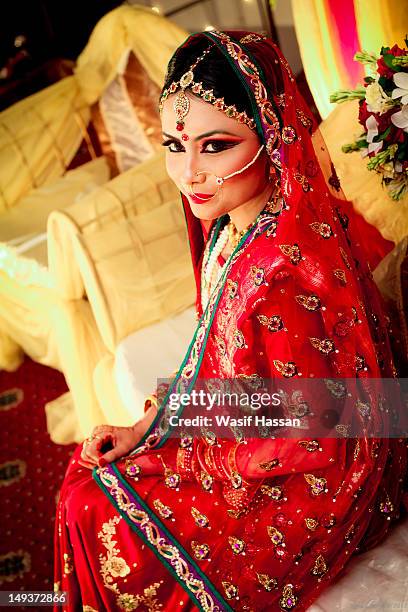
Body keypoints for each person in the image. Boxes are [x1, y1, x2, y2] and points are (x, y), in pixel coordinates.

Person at [54, 31, 408, 611]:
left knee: (90, 502)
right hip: (258, 428)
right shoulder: (234, 226)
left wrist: (189, 450)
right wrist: (151, 430)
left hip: (319, 475)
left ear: (270, 135)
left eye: (214, 146)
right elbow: (221, 361)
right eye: (174, 143)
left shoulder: (284, 271)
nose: (188, 172)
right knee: (88, 485)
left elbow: (313, 433)